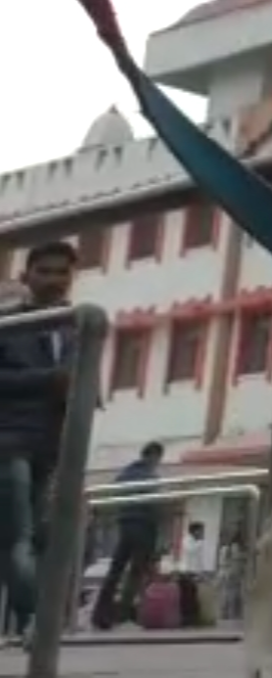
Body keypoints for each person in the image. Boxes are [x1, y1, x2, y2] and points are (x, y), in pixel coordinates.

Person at [0, 241, 78, 640]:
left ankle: (32, 617)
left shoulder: (74, 325)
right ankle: (34, 621)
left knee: (38, 536)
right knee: (20, 536)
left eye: (61, 272)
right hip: (8, 442)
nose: (53, 280)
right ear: (25, 276)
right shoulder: (8, 325)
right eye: (44, 271)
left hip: (51, 445)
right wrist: (48, 381)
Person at [91, 440, 165, 630]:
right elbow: (155, 505)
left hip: (124, 525)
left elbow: (114, 495)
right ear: (154, 456)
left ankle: (100, 614)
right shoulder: (150, 476)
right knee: (136, 572)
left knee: (115, 571)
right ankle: (124, 616)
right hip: (143, 525)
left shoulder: (125, 474)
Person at [176, 520, 214, 628]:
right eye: (201, 531)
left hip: (195, 572)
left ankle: (192, 619)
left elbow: (199, 559)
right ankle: (186, 619)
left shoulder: (197, 541)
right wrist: (201, 542)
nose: (202, 533)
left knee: (193, 596)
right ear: (194, 531)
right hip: (187, 572)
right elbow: (191, 550)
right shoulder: (187, 540)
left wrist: (203, 573)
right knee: (187, 597)